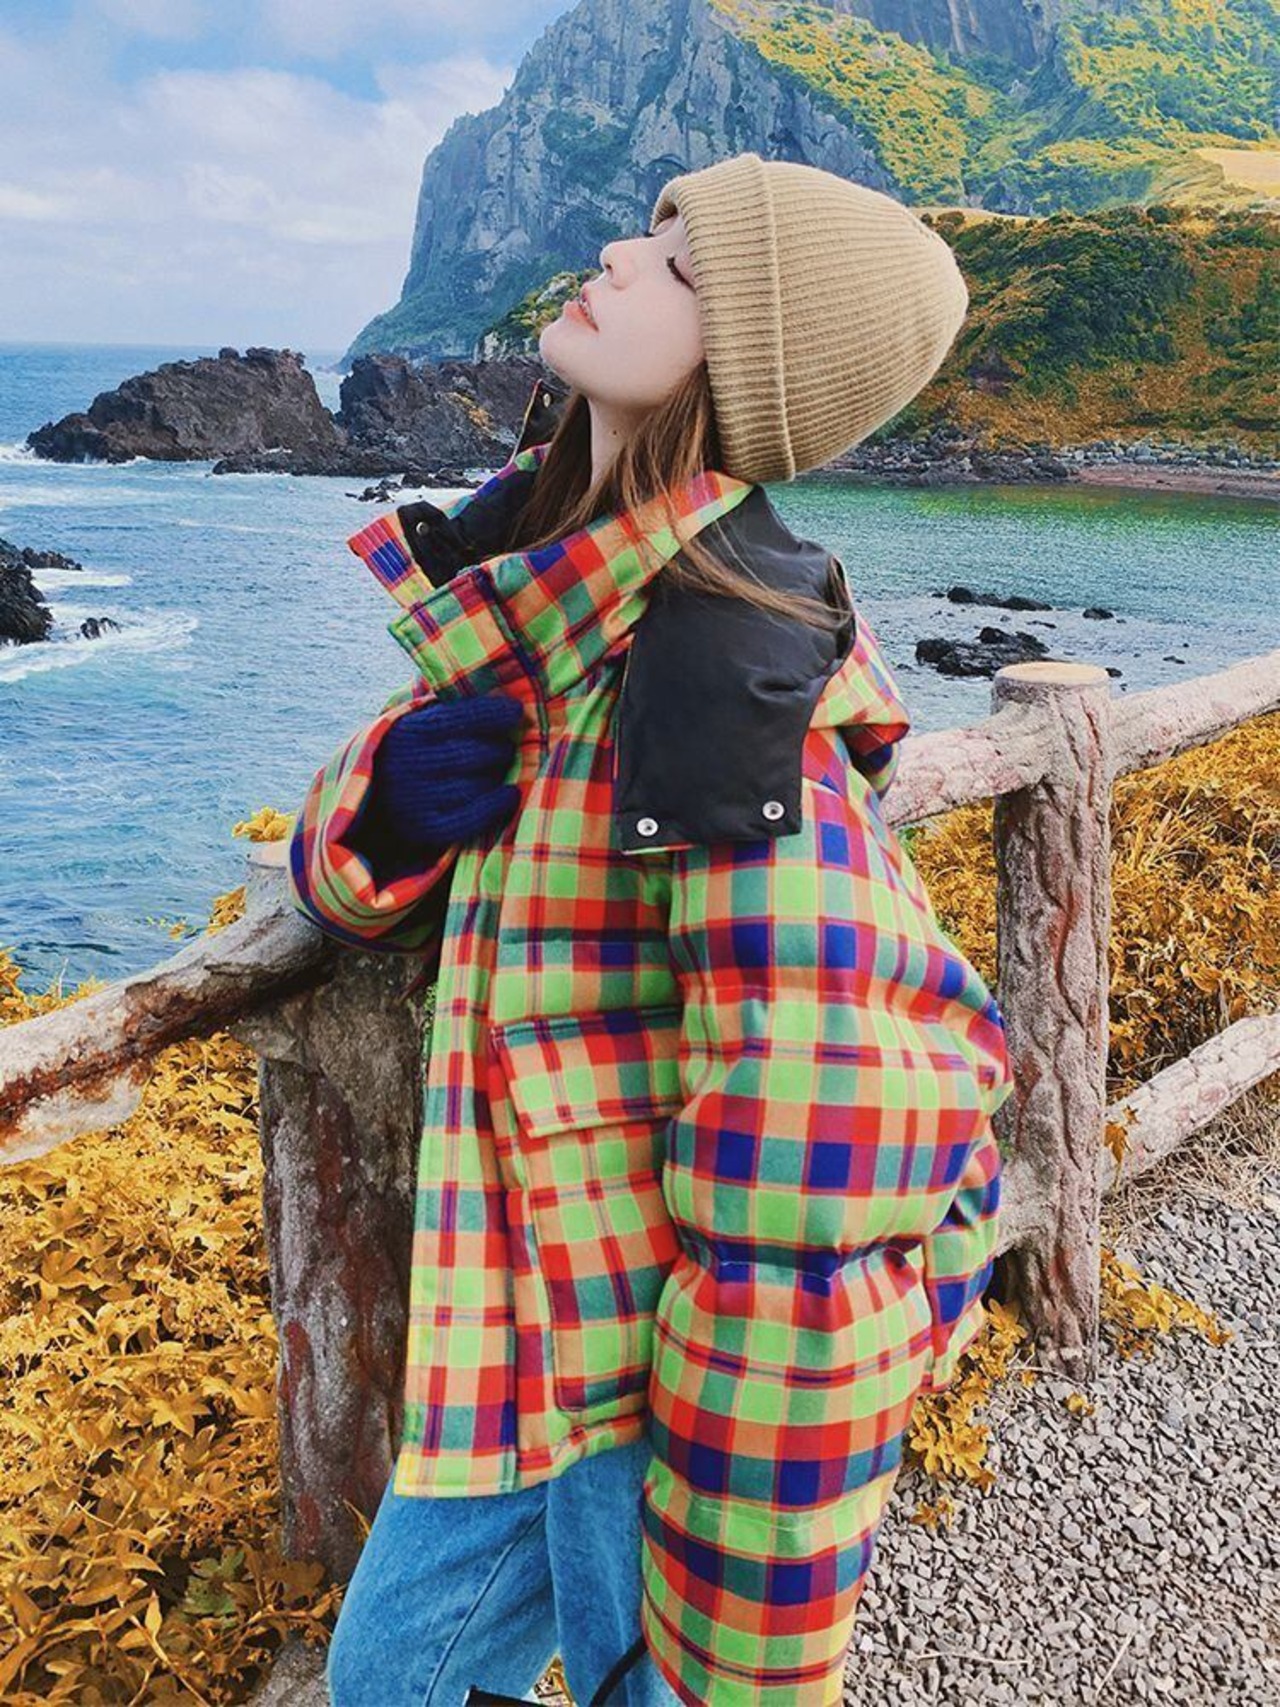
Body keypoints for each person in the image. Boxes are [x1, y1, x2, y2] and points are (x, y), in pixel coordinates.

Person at [288, 150, 1015, 1707]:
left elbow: (825, 1148)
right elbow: (379, 882)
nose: (621, 254)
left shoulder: (713, 679)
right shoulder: (562, 601)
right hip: (520, 1332)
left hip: (653, 1391)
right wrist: (385, 807)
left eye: (684, 267)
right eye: (648, 231)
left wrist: (738, 1622)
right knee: (387, 1680)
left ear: (746, 366)